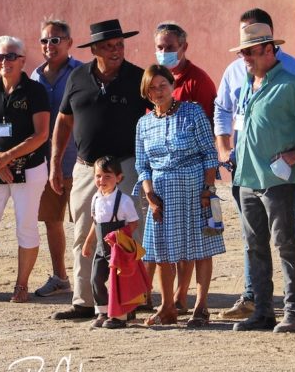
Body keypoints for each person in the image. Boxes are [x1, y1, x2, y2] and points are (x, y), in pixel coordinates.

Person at [214, 8, 295, 322]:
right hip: (244, 173)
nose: (243, 56)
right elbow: (223, 109)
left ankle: (293, 312)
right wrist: (224, 149)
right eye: (241, 50)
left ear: (268, 47)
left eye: (249, 51)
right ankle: (261, 310)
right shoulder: (239, 75)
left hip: (278, 178)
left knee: (285, 244)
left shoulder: (294, 78)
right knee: (253, 244)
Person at [49, 19, 148, 321]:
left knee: (130, 233)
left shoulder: (137, 77)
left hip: (126, 167)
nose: (116, 51)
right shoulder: (77, 77)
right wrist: (55, 163)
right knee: (84, 232)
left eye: (119, 45)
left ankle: (132, 300)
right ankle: (85, 301)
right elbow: (64, 121)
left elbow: (156, 114)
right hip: (86, 169)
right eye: (108, 46)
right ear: (94, 49)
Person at [135, 64, 224, 328]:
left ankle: (201, 306)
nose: (158, 91)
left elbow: (209, 153)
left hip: (196, 190)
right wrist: (149, 193)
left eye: (163, 85)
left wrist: (208, 190)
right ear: (147, 92)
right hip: (160, 194)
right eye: (153, 87)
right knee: (161, 251)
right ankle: (167, 307)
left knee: (201, 247)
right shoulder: (144, 123)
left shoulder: (192, 112)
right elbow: (142, 165)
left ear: (172, 86)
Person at [0, 37, 51, 304]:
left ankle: (21, 285)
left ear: (23, 59)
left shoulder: (35, 91)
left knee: (26, 227)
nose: (4, 62)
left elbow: (41, 135)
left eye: (10, 56)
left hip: (29, 169)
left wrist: (8, 157)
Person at [31, 19, 82, 298]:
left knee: (85, 223)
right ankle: (60, 277)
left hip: (78, 160)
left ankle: (89, 278)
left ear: (69, 42)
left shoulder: (82, 72)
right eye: (44, 40)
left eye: (55, 40)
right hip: (46, 165)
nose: (49, 45)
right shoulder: (35, 77)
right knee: (52, 221)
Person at [82, 156, 142, 329]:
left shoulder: (124, 201)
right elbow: (96, 223)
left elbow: (133, 223)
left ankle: (120, 315)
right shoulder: (95, 199)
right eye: (98, 176)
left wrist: (119, 237)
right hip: (102, 248)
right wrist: (88, 243)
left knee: (119, 283)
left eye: (108, 176)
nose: (102, 180)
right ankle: (103, 311)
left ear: (119, 178)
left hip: (119, 249)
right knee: (96, 279)